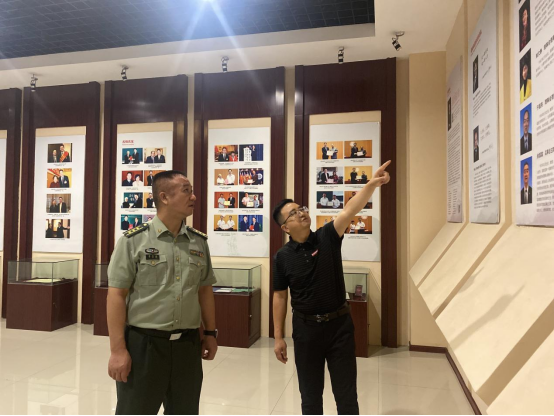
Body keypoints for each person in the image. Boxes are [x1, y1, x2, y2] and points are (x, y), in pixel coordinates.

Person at [271, 160, 391, 415]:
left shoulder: (327, 236)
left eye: (301, 208)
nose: (301, 213)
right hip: (305, 331)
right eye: (293, 213)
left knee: (346, 397)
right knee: (310, 397)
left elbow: (349, 209)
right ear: (285, 227)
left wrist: (371, 185)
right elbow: (280, 296)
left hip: (339, 327)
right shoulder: (282, 257)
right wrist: (278, 337)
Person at [107, 170, 218, 415]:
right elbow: (116, 295)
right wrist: (117, 350)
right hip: (144, 346)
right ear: (164, 197)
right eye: (186, 191)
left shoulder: (198, 242)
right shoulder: (133, 241)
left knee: (185, 411)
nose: (194, 197)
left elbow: (205, 290)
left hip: (187, 346)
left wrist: (210, 333)